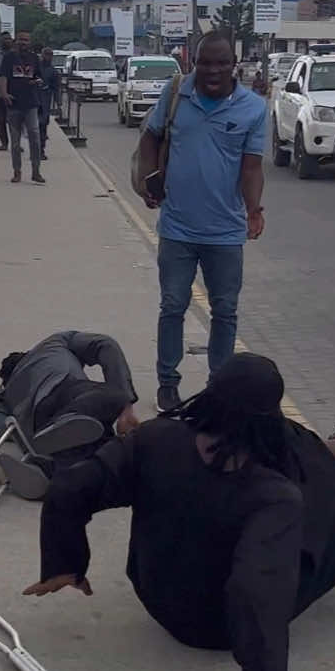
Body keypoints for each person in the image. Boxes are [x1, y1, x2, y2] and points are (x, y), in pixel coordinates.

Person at [24, 354, 335, 671]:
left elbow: (71, 487)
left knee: (295, 448)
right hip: (216, 629)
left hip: (157, 597)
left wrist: (66, 562)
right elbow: (254, 597)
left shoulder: (153, 438)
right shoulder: (271, 496)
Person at [135, 30, 266, 412]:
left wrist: (254, 209)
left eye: (221, 63)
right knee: (172, 306)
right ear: (194, 62)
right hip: (177, 228)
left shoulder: (253, 108)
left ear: (233, 65)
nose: (212, 70)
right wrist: (149, 179)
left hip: (225, 234)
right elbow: (150, 137)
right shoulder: (177, 93)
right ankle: (167, 384)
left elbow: (252, 167)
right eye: (205, 62)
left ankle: (218, 386)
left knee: (224, 311)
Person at [0, 329, 141, 497]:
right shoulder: (53, 344)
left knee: (101, 451)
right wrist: (125, 408)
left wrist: (22, 433)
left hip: (39, 423)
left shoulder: (6, 396)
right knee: (113, 396)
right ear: (27, 354)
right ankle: (68, 420)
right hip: (68, 394)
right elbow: (106, 345)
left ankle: (45, 472)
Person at [1, 34, 45, 184]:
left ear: (29, 42)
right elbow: (2, 77)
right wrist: (4, 93)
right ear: (16, 42)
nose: (23, 43)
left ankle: (36, 171)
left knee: (34, 136)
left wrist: (38, 81)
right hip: (14, 103)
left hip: (31, 103)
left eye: (26, 40)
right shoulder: (8, 58)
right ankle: (17, 172)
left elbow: (39, 77)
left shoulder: (34, 58)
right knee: (15, 141)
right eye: (20, 40)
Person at [36, 46, 61, 159]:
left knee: (43, 126)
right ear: (42, 55)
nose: (48, 57)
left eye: (50, 55)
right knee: (33, 126)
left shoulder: (53, 71)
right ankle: (35, 149)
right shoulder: (35, 67)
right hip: (33, 100)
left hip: (45, 102)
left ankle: (41, 150)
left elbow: (56, 89)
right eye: (46, 54)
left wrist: (59, 103)